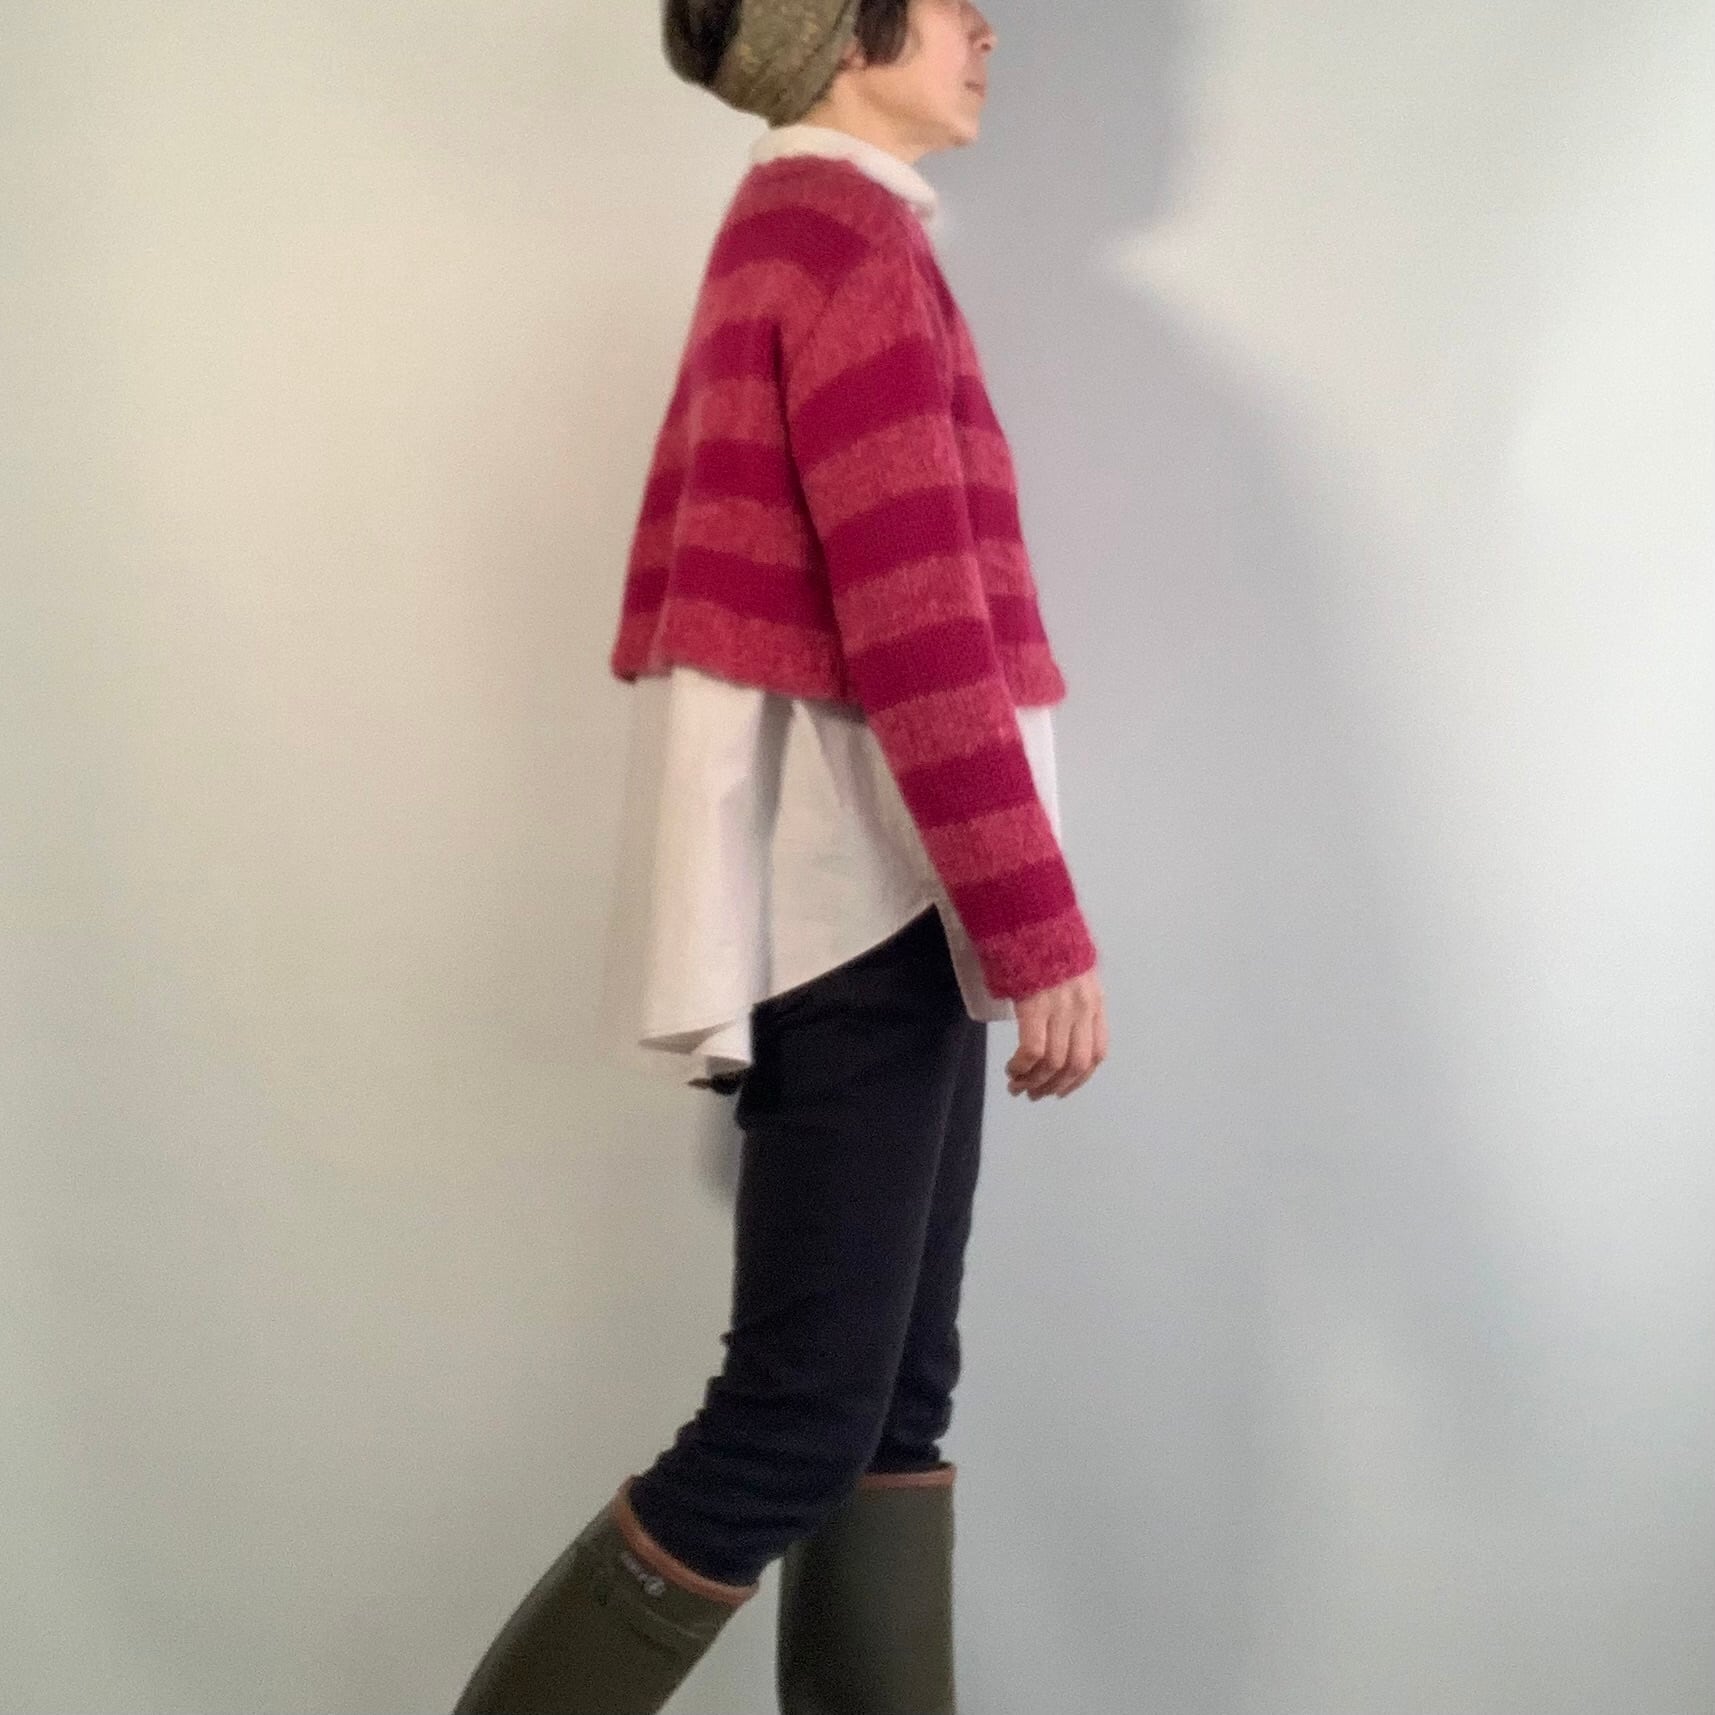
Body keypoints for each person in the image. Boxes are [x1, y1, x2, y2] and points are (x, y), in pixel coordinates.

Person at [451, 2, 1106, 1710]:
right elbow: (918, 630)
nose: (985, 24)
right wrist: (1038, 928)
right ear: (841, 31)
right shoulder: (847, 246)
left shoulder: (812, 230)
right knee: (800, 1419)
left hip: (881, 895)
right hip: (863, 900)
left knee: (887, 1407)